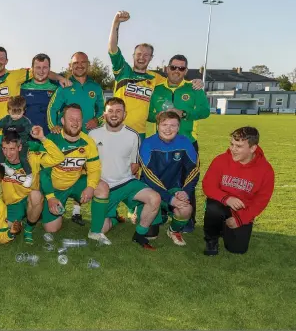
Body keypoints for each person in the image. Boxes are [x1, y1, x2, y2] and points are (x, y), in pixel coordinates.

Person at [108, 10, 203, 140]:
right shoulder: (123, 71)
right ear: (133, 56)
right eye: (139, 54)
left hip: (139, 132)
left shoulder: (156, 78)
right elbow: (113, 48)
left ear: (151, 58)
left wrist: (196, 82)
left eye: (146, 55)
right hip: (115, 128)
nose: (142, 57)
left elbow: (176, 79)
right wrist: (116, 23)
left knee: (136, 161)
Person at [0, 125, 64, 243]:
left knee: (36, 195)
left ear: (19, 147)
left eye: (12, 149)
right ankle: (21, 219)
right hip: (13, 204)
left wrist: (43, 138)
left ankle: (29, 228)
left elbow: (59, 157)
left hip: (30, 198)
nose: (8, 153)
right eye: (4, 148)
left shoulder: (32, 157)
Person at [148, 54, 211, 232]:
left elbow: (205, 111)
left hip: (187, 143)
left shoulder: (194, 88)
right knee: (159, 179)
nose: (177, 71)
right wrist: (162, 116)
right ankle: (160, 214)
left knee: (187, 182)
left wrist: (183, 114)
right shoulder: (158, 90)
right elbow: (149, 115)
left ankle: (187, 220)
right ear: (167, 68)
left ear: (186, 71)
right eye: (174, 67)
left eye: (181, 68)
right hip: (160, 146)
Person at [88, 97, 161, 249]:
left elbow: (135, 165)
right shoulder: (93, 135)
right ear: (104, 114)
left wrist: (123, 174)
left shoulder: (133, 135)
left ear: (125, 114)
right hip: (104, 188)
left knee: (154, 198)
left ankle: (140, 234)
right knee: (100, 230)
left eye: (118, 111)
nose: (114, 114)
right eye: (111, 111)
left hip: (126, 183)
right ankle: (113, 217)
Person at [0, 46, 71, 152]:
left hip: (10, 134)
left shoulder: (16, 76)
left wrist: (60, 78)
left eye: (1, 58)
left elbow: (41, 71)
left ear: (7, 61)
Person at [202, 127, 275, 256]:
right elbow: (208, 185)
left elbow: (261, 201)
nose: (233, 149)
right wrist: (226, 198)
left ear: (253, 148)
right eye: (232, 144)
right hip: (221, 203)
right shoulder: (221, 160)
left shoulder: (266, 170)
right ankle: (211, 239)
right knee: (213, 207)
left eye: (239, 146)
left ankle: (225, 228)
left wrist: (241, 219)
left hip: (242, 210)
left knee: (238, 249)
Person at [39, 104, 109, 238]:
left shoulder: (88, 142)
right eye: (71, 119)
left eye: (78, 119)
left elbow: (94, 169)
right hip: (55, 188)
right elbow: (44, 173)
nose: (75, 123)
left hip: (76, 183)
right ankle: (43, 205)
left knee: (102, 187)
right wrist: (50, 197)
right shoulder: (51, 140)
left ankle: (95, 232)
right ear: (63, 121)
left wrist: (90, 187)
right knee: (51, 229)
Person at [139, 111, 200, 246]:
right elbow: (149, 176)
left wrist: (185, 191)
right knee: (150, 235)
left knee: (186, 209)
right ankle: (151, 211)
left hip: (173, 188)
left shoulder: (185, 142)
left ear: (178, 127)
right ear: (157, 126)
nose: (168, 129)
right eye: (164, 124)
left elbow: (194, 169)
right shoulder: (148, 143)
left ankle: (173, 230)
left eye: (173, 125)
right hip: (150, 190)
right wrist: (170, 199)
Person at [48, 52, 105, 134]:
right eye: (76, 63)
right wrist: (53, 126)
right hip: (67, 137)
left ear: (88, 64)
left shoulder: (96, 87)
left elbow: (102, 109)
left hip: (90, 136)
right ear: (70, 66)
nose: (80, 65)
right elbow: (52, 108)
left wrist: (96, 120)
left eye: (83, 62)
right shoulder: (64, 86)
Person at [0, 96, 34, 187]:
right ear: (8, 110)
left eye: (18, 113)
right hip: (6, 142)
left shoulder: (25, 122)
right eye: (12, 113)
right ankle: (4, 165)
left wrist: (34, 131)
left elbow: (31, 130)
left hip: (21, 144)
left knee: (23, 158)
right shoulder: (6, 119)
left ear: (24, 111)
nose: (15, 116)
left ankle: (29, 175)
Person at [20, 53, 59, 135]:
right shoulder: (22, 87)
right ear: (32, 69)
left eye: (45, 67)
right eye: (38, 67)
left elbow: (62, 111)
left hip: (49, 137)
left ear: (49, 69)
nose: (41, 71)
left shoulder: (57, 88)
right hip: (26, 138)